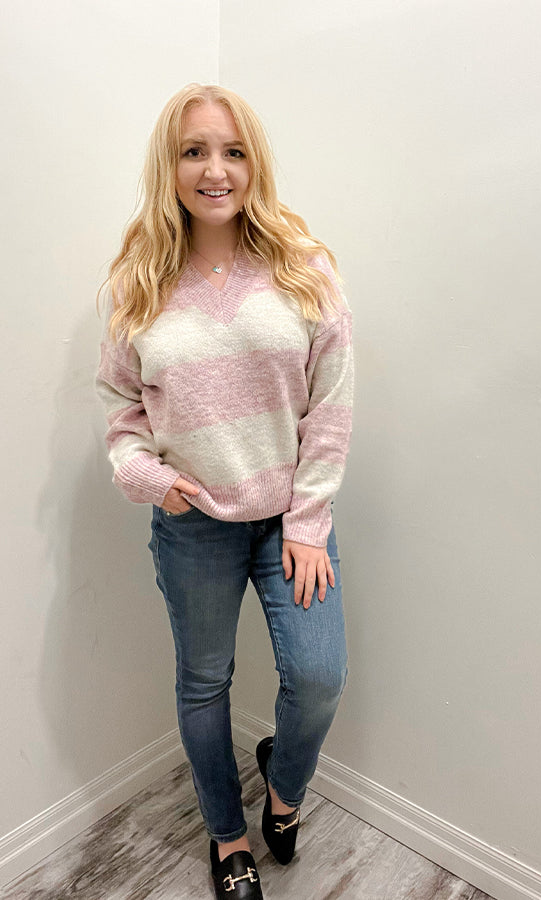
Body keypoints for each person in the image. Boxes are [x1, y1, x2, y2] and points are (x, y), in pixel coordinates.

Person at [95, 83, 354, 900]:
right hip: (194, 523)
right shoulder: (138, 280)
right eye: (194, 151)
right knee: (204, 683)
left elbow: (331, 403)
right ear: (169, 167)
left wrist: (308, 523)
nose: (215, 170)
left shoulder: (303, 267)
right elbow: (120, 408)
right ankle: (227, 835)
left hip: (291, 522)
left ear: (254, 164)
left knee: (319, 677)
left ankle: (283, 787)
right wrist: (148, 476)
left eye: (233, 151)